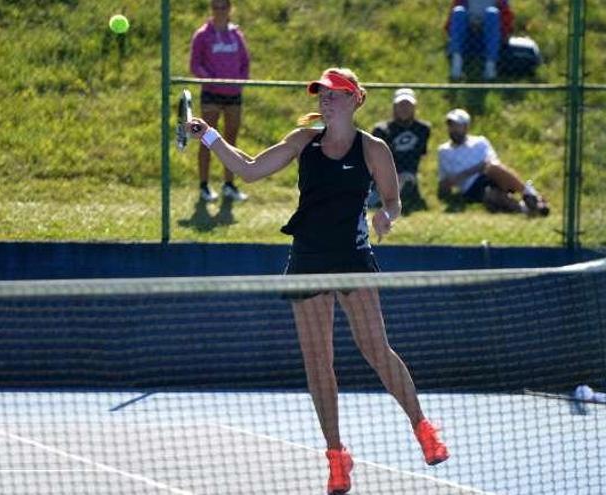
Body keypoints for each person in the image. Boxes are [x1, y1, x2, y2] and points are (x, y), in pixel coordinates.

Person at [185, 67, 449, 495]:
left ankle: (422, 427)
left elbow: (393, 199)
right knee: (318, 363)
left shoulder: (373, 149)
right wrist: (209, 136)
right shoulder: (302, 141)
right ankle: (336, 457)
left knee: (375, 350)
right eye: (321, 93)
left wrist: (387, 215)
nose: (325, 99)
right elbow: (250, 169)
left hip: (353, 258)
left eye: (333, 93)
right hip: (308, 259)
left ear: (354, 98)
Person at [189, 0, 250, 202]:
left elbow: (245, 62)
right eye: (216, 6)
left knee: (230, 140)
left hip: (233, 95)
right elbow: (195, 64)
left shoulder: (236, 35)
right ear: (211, 8)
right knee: (207, 139)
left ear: (230, 8)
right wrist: (211, 80)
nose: (220, 10)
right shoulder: (202, 35)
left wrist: (239, 83)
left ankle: (229, 184)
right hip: (211, 94)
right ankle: (204, 186)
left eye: (224, 6)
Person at [438, 108, 549, 215]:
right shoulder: (444, 151)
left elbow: (492, 162)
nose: (453, 130)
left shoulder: (480, 142)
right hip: (471, 186)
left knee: (494, 167)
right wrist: (472, 171)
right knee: (491, 195)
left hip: (490, 175)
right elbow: (445, 181)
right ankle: (527, 209)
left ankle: (530, 195)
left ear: (466, 127)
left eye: (457, 126)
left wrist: (482, 168)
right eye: (451, 126)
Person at [367, 88, 431, 211]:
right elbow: (375, 160)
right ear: (394, 107)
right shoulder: (382, 130)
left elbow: (419, 155)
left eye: (408, 105)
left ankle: (391, 199)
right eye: (401, 105)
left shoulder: (422, 129)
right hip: (383, 175)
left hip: (408, 175)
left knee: (406, 180)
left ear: (414, 107)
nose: (404, 108)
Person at [445, 0, 514, 80]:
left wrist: (504, 34)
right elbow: (454, 17)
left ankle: (490, 67)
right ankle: (456, 65)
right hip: (468, 35)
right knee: (458, 11)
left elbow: (506, 16)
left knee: (492, 13)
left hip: (489, 36)